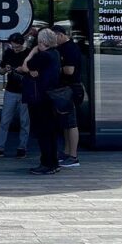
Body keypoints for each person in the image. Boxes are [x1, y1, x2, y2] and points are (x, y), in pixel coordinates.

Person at [18, 28, 62, 175]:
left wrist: (32, 52)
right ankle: (53, 162)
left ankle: (46, 163)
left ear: (41, 42)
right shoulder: (55, 54)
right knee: (50, 132)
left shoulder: (43, 56)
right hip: (50, 97)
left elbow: (24, 66)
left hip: (40, 98)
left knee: (43, 132)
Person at [0, 32, 30, 159]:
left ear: (22, 43)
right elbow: (0, 71)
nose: (15, 49)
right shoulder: (8, 53)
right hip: (11, 89)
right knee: (5, 120)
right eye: (13, 46)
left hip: (25, 90)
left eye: (17, 46)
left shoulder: (28, 53)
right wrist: (5, 69)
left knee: (25, 121)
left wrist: (20, 69)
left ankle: (22, 147)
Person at [52, 25, 83, 168]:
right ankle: (66, 151)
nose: (53, 41)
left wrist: (55, 68)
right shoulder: (62, 48)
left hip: (71, 89)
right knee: (65, 122)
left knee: (71, 123)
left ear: (60, 35)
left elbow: (70, 70)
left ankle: (73, 156)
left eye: (53, 37)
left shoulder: (70, 48)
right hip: (64, 89)